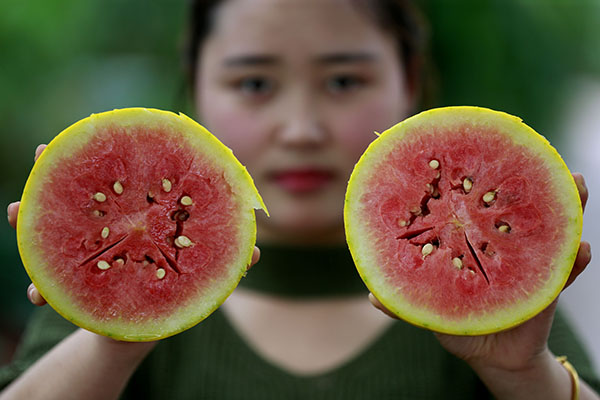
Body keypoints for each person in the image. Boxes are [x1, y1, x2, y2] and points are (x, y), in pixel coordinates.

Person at [1, 0, 599, 398]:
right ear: (196, 93)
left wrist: (523, 374)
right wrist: (119, 323)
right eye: (254, 83)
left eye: (344, 81)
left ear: (410, 84)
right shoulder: (107, 303)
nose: (301, 128)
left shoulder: (499, 307)